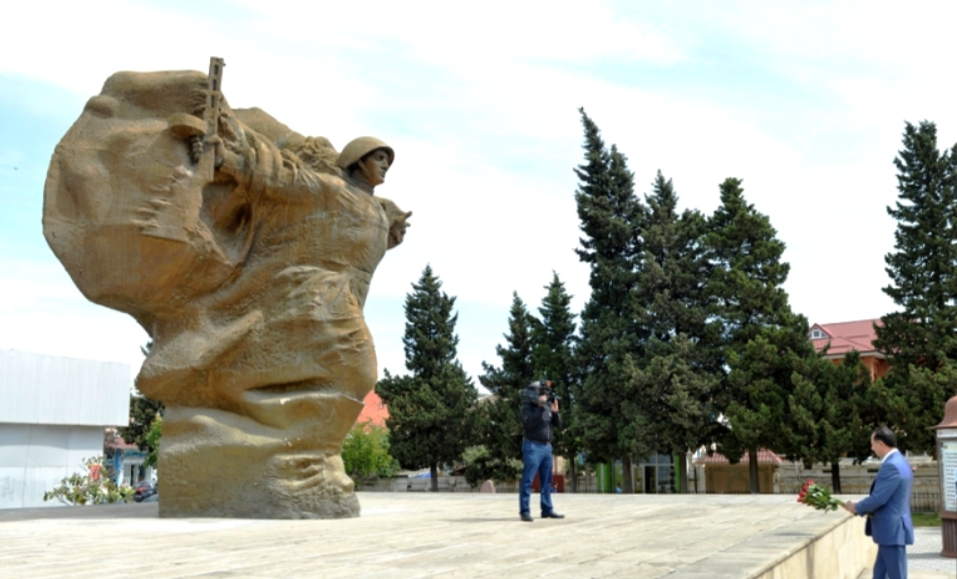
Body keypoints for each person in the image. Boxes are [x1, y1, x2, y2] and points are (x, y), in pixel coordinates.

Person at [842, 426, 914, 579]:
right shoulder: (900, 461)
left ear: (881, 444)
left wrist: (856, 507)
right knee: (880, 574)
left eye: (872, 444)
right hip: (891, 531)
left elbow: (879, 498)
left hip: (891, 530)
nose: (871, 448)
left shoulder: (891, 465)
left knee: (896, 575)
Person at [519, 380, 564, 522]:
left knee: (547, 480)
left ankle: (547, 509)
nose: (544, 395)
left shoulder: (546, 407)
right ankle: (525, 511)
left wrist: (555, 413)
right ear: (533, 392)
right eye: (541, 392)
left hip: (546, 447)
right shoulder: (527, 407)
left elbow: (558, 424)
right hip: (533, 446)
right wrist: (539, 408)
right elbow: (530, 423)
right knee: (528, 479)